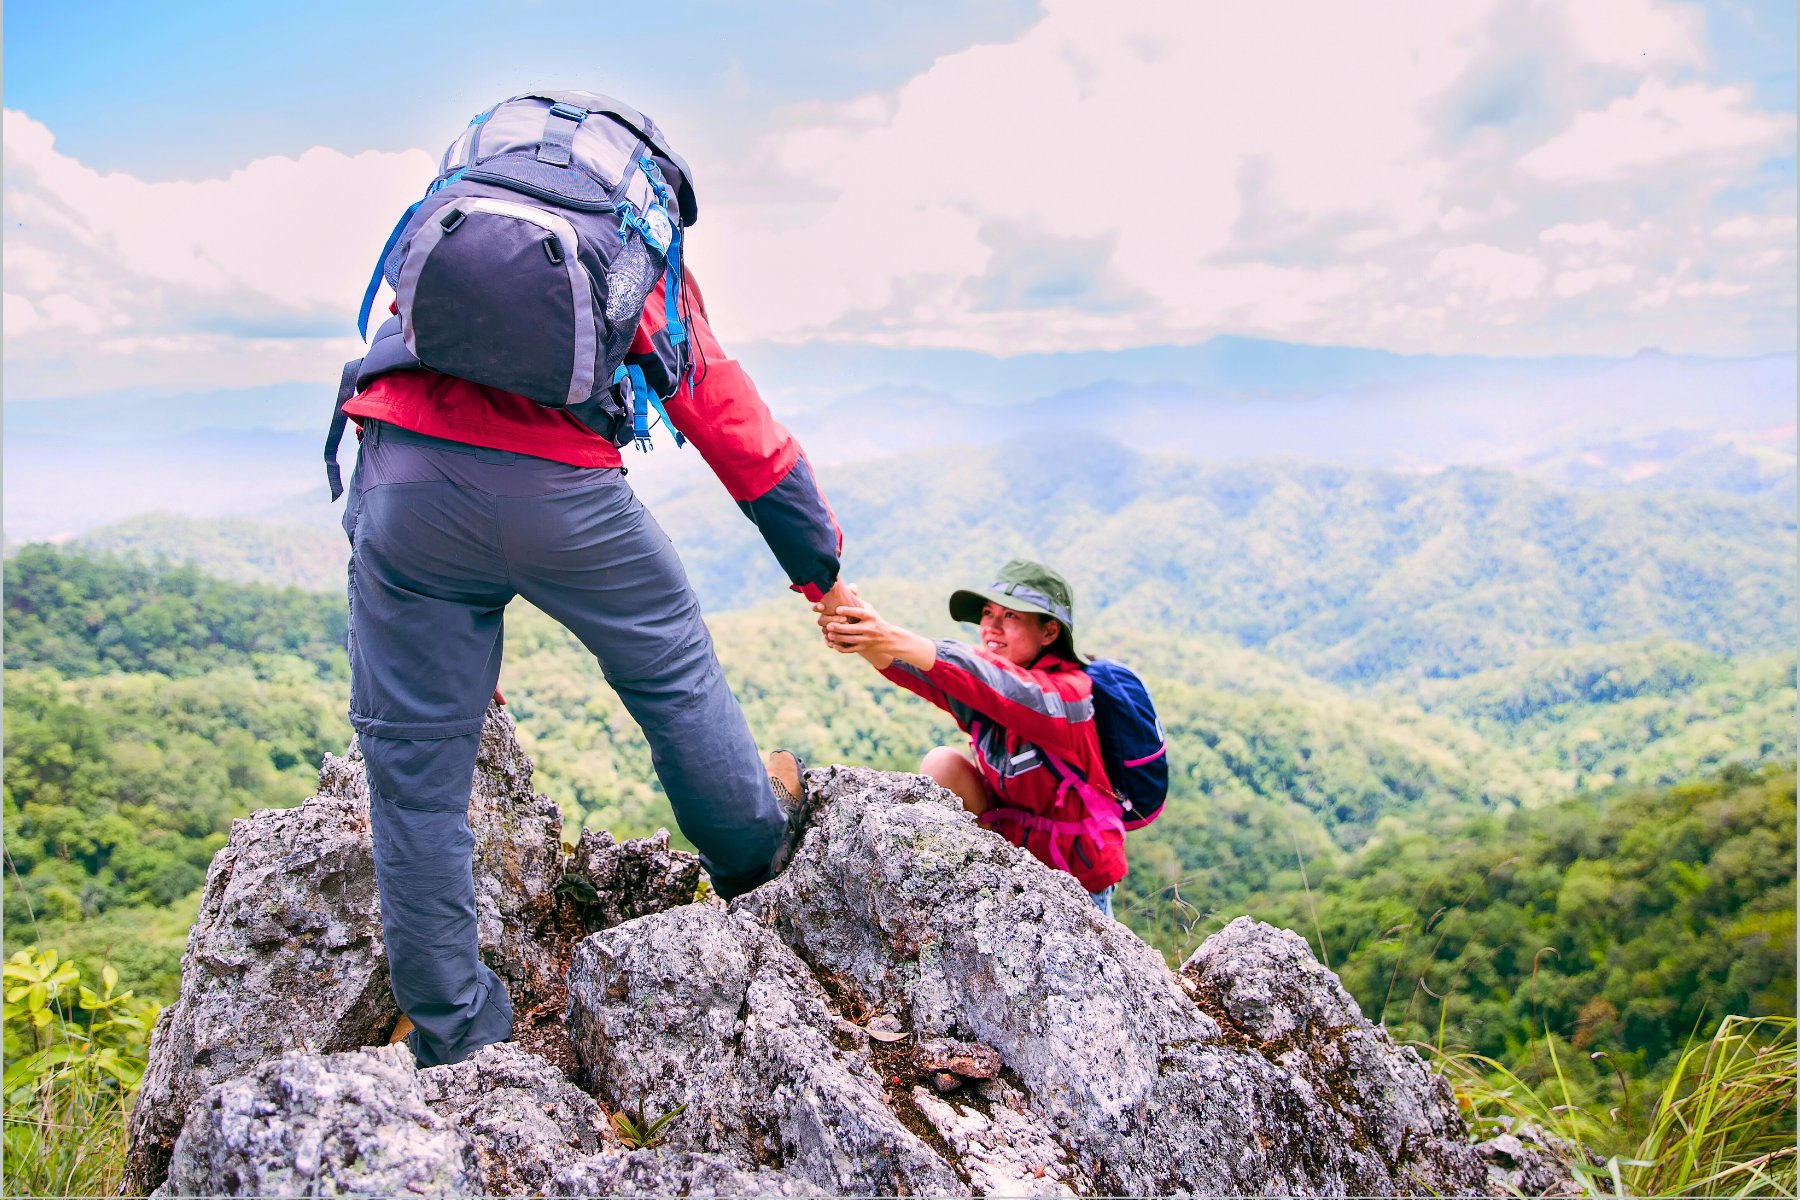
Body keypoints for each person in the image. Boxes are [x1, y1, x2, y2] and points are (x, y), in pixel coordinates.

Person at [337, 268, 851, 1068]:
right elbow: (723, 410)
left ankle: (453, 1032)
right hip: (565, 489)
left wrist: (440, 645)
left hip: (404, 493)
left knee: (412, 774)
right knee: (672, 673)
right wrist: (820, 567)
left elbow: (389, 387)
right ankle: (755, 858)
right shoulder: (625, 233)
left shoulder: (445, 225)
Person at [817, 560, 1126, 914]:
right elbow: (908, 665)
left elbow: (1000, 683)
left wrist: (887, 634)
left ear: (1049, 632)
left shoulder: (1069, 697)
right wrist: (848, 617)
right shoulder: (986, 690)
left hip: (1079, 883)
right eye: (987, 613)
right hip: (1014, 862)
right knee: (942, 763)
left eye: (1011, 616)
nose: (991, 627)